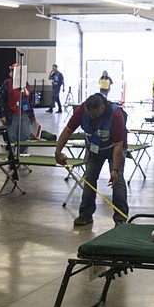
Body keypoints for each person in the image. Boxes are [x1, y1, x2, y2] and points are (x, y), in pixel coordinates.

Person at [55, 93, 128, 227]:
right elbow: (67, 131)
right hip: (94, 150)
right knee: (89, 178)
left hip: (114, 149)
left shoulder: (116, 114)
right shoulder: (82, 110)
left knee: (117, 181)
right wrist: (58, 151)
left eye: (95, 115)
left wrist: (115, 170)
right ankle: (85, 214)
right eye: (90, 115)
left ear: (103, 108)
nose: (92, 117)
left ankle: (121, 219)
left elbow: (118, 145)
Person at [0, 75, 40, 153]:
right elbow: (1, 100)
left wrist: (32, 115)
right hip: (11, 115)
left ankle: (22, 156)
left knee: (25, 136)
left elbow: (29, 101)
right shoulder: (7, 83)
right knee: (11, 137)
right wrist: (2, 114)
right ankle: (11, 158)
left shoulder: (26, 84)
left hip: (25, 114)